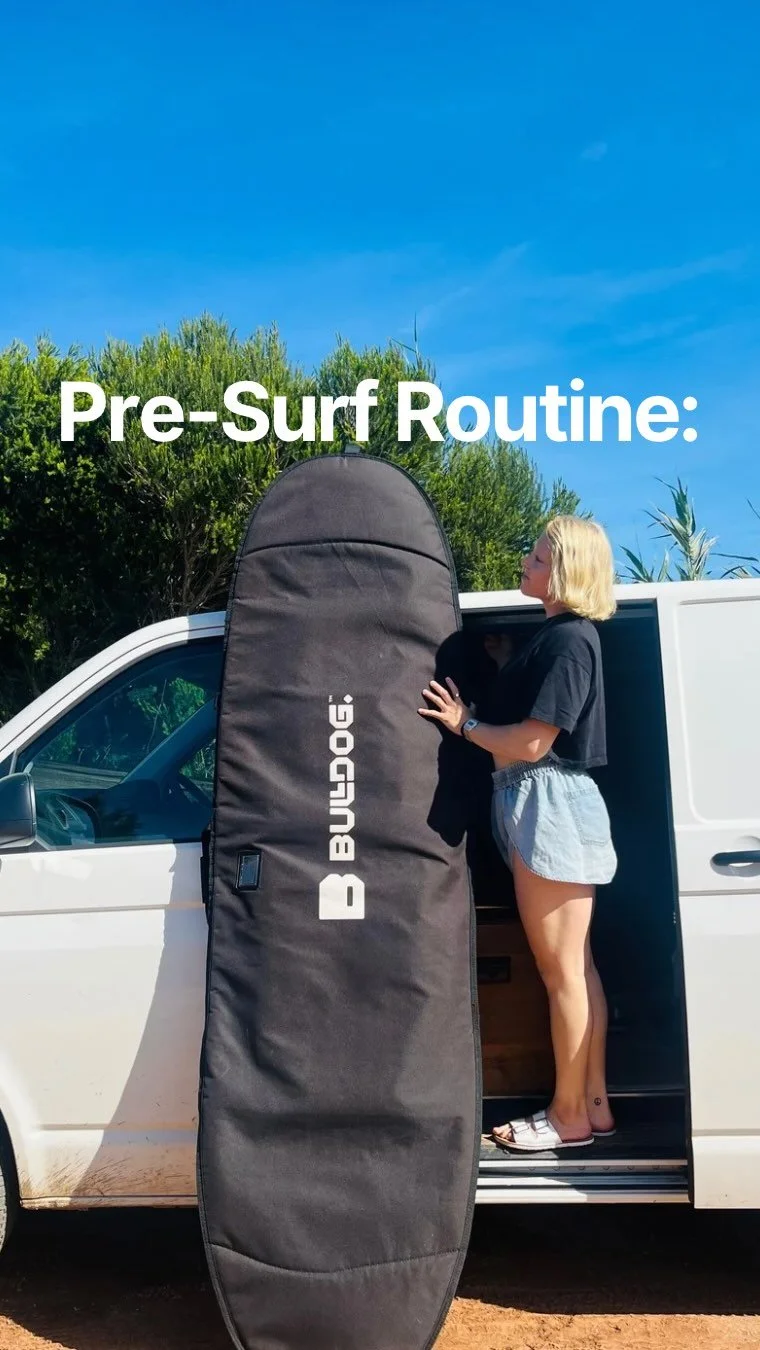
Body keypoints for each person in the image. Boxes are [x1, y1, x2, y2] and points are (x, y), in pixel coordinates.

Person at [418, 516, 618, 1151]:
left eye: (536, 559)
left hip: (546, 801)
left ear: (564, 572)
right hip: (538, 802)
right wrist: (508, 665)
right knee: (576, 969)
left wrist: (463, 724)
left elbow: (532, 743)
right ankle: (594, 1106)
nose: (525, 565)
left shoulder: (571, 641)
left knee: (563, 974)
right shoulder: (557, 638)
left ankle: (567, 1118)